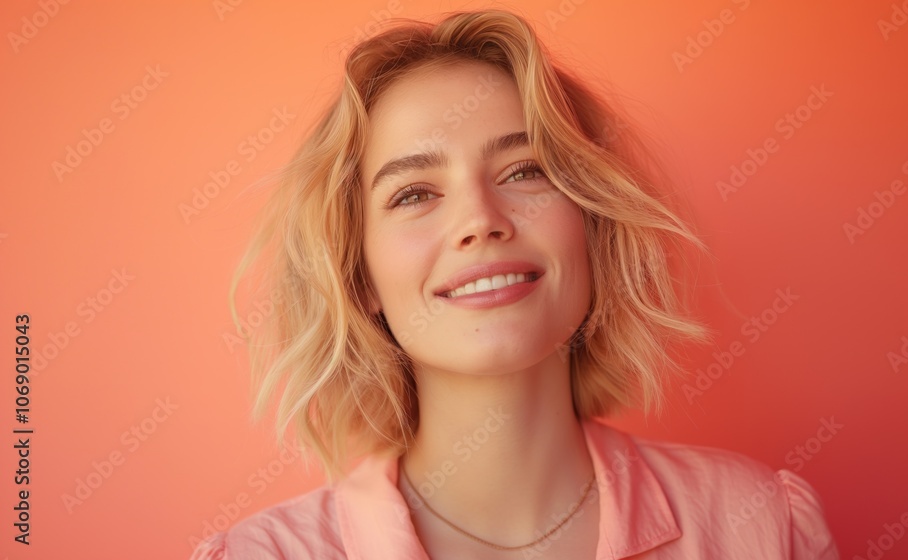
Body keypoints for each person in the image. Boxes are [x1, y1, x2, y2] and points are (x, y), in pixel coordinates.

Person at [191, 8, 840, 559]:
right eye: (415, 192)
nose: (480, 220)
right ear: (359, 275)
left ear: (592, 225)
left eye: (525, 171)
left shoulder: (758, 526)